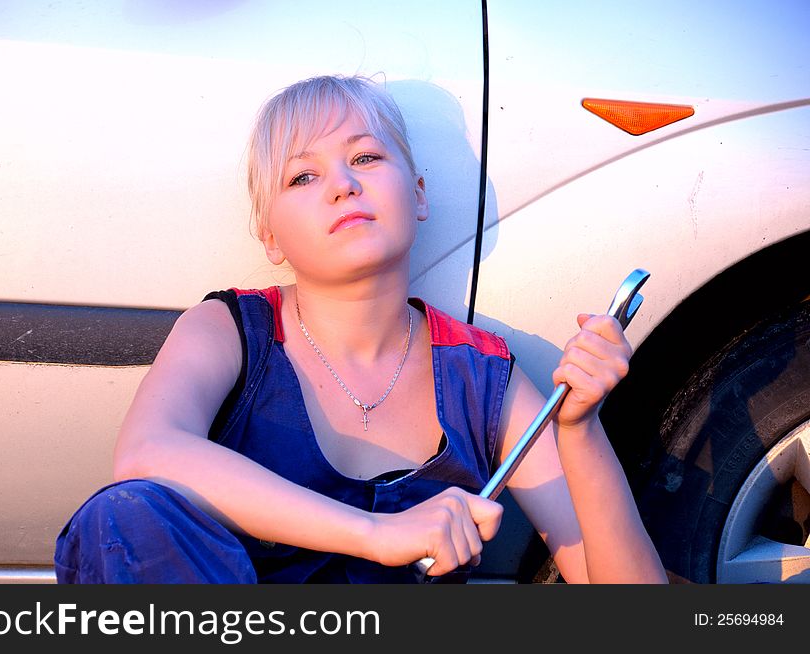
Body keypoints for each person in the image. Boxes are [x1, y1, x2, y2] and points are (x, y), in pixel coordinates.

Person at [54, 74, 668, 584]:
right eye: (302, 177)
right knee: (122, 517)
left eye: (366, 157)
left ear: (420, 194)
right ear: (269, 236)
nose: (343, 184)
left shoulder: (482, 378)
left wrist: (580, 430)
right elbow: (146, 456)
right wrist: (378, 534)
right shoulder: (228, 331)